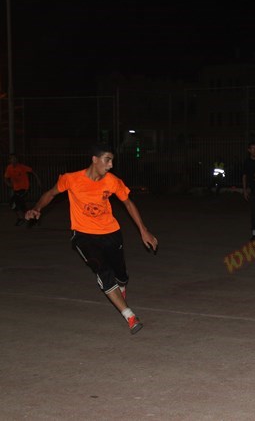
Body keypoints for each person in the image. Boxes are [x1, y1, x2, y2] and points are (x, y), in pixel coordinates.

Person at [24, 143, 158, 335]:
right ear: (94, 160)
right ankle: (130, 316)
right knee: (103, 272)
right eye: (107, 160)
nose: (111, 165)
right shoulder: (71, 179)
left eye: (112, 160)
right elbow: (50, 193)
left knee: (121, 275)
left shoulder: (112, 181)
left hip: (111, 233)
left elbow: (128, 203)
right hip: (84, 236)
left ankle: (120, 288)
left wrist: (143, 230)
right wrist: (37, 208)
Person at [4, 153, 41, 226]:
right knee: (13, 204)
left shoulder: (21, 167)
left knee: (18, 202)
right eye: (11, 159)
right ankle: (25, 218)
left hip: (24, 189)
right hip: (16, 189)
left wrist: (38, 180)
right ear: (9, 160)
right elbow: (5, 177)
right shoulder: (9, 168)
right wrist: (8, 183)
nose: (13, 160)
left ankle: (30, 218)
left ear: (17, 159)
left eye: (14, 158)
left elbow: (32, 171)